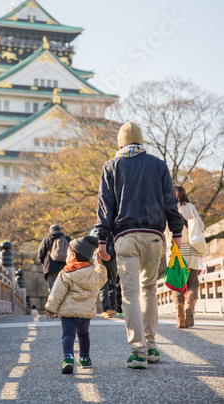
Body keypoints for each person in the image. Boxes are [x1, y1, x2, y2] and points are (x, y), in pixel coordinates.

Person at [95, 121, 183, 369]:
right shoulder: (158, 165)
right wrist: (176, 233)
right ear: (141, 142)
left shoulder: (111, 166)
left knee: (130, 294)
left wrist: (102, 238)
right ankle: (152, 346)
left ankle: (138, 351)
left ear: (120, 143)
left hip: (125, 236)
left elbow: (105, 206)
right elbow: (170, 202)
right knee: (149, 290)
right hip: (154, 236)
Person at [45, 235, 107, 374]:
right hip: (85, 314)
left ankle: (68, 357)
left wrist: (50, 308)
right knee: (84, 335)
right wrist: (100, 265)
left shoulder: (66, 273)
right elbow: (102, 278)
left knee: (68, 336)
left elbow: (57, 293)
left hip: (68, 314)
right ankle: (85, 358)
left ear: (72, 256)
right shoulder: (93, 274)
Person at [165, 185, 206, 329]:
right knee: (193, 283)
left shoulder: (167, 208)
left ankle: (180, 319)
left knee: (177, 285)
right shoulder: (190, 207)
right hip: (192, 253)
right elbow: (200, 226)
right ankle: (190, 303)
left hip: (175, 252)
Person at [38, 224, 71, 292]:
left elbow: (41, 253)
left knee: (53, 290)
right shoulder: (67, 238)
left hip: (51, 268)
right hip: (65, 267)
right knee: (64, 289)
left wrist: (42, 262)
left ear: (50, 230)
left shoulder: (47, 239)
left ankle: (54, 302)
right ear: (60, 230)